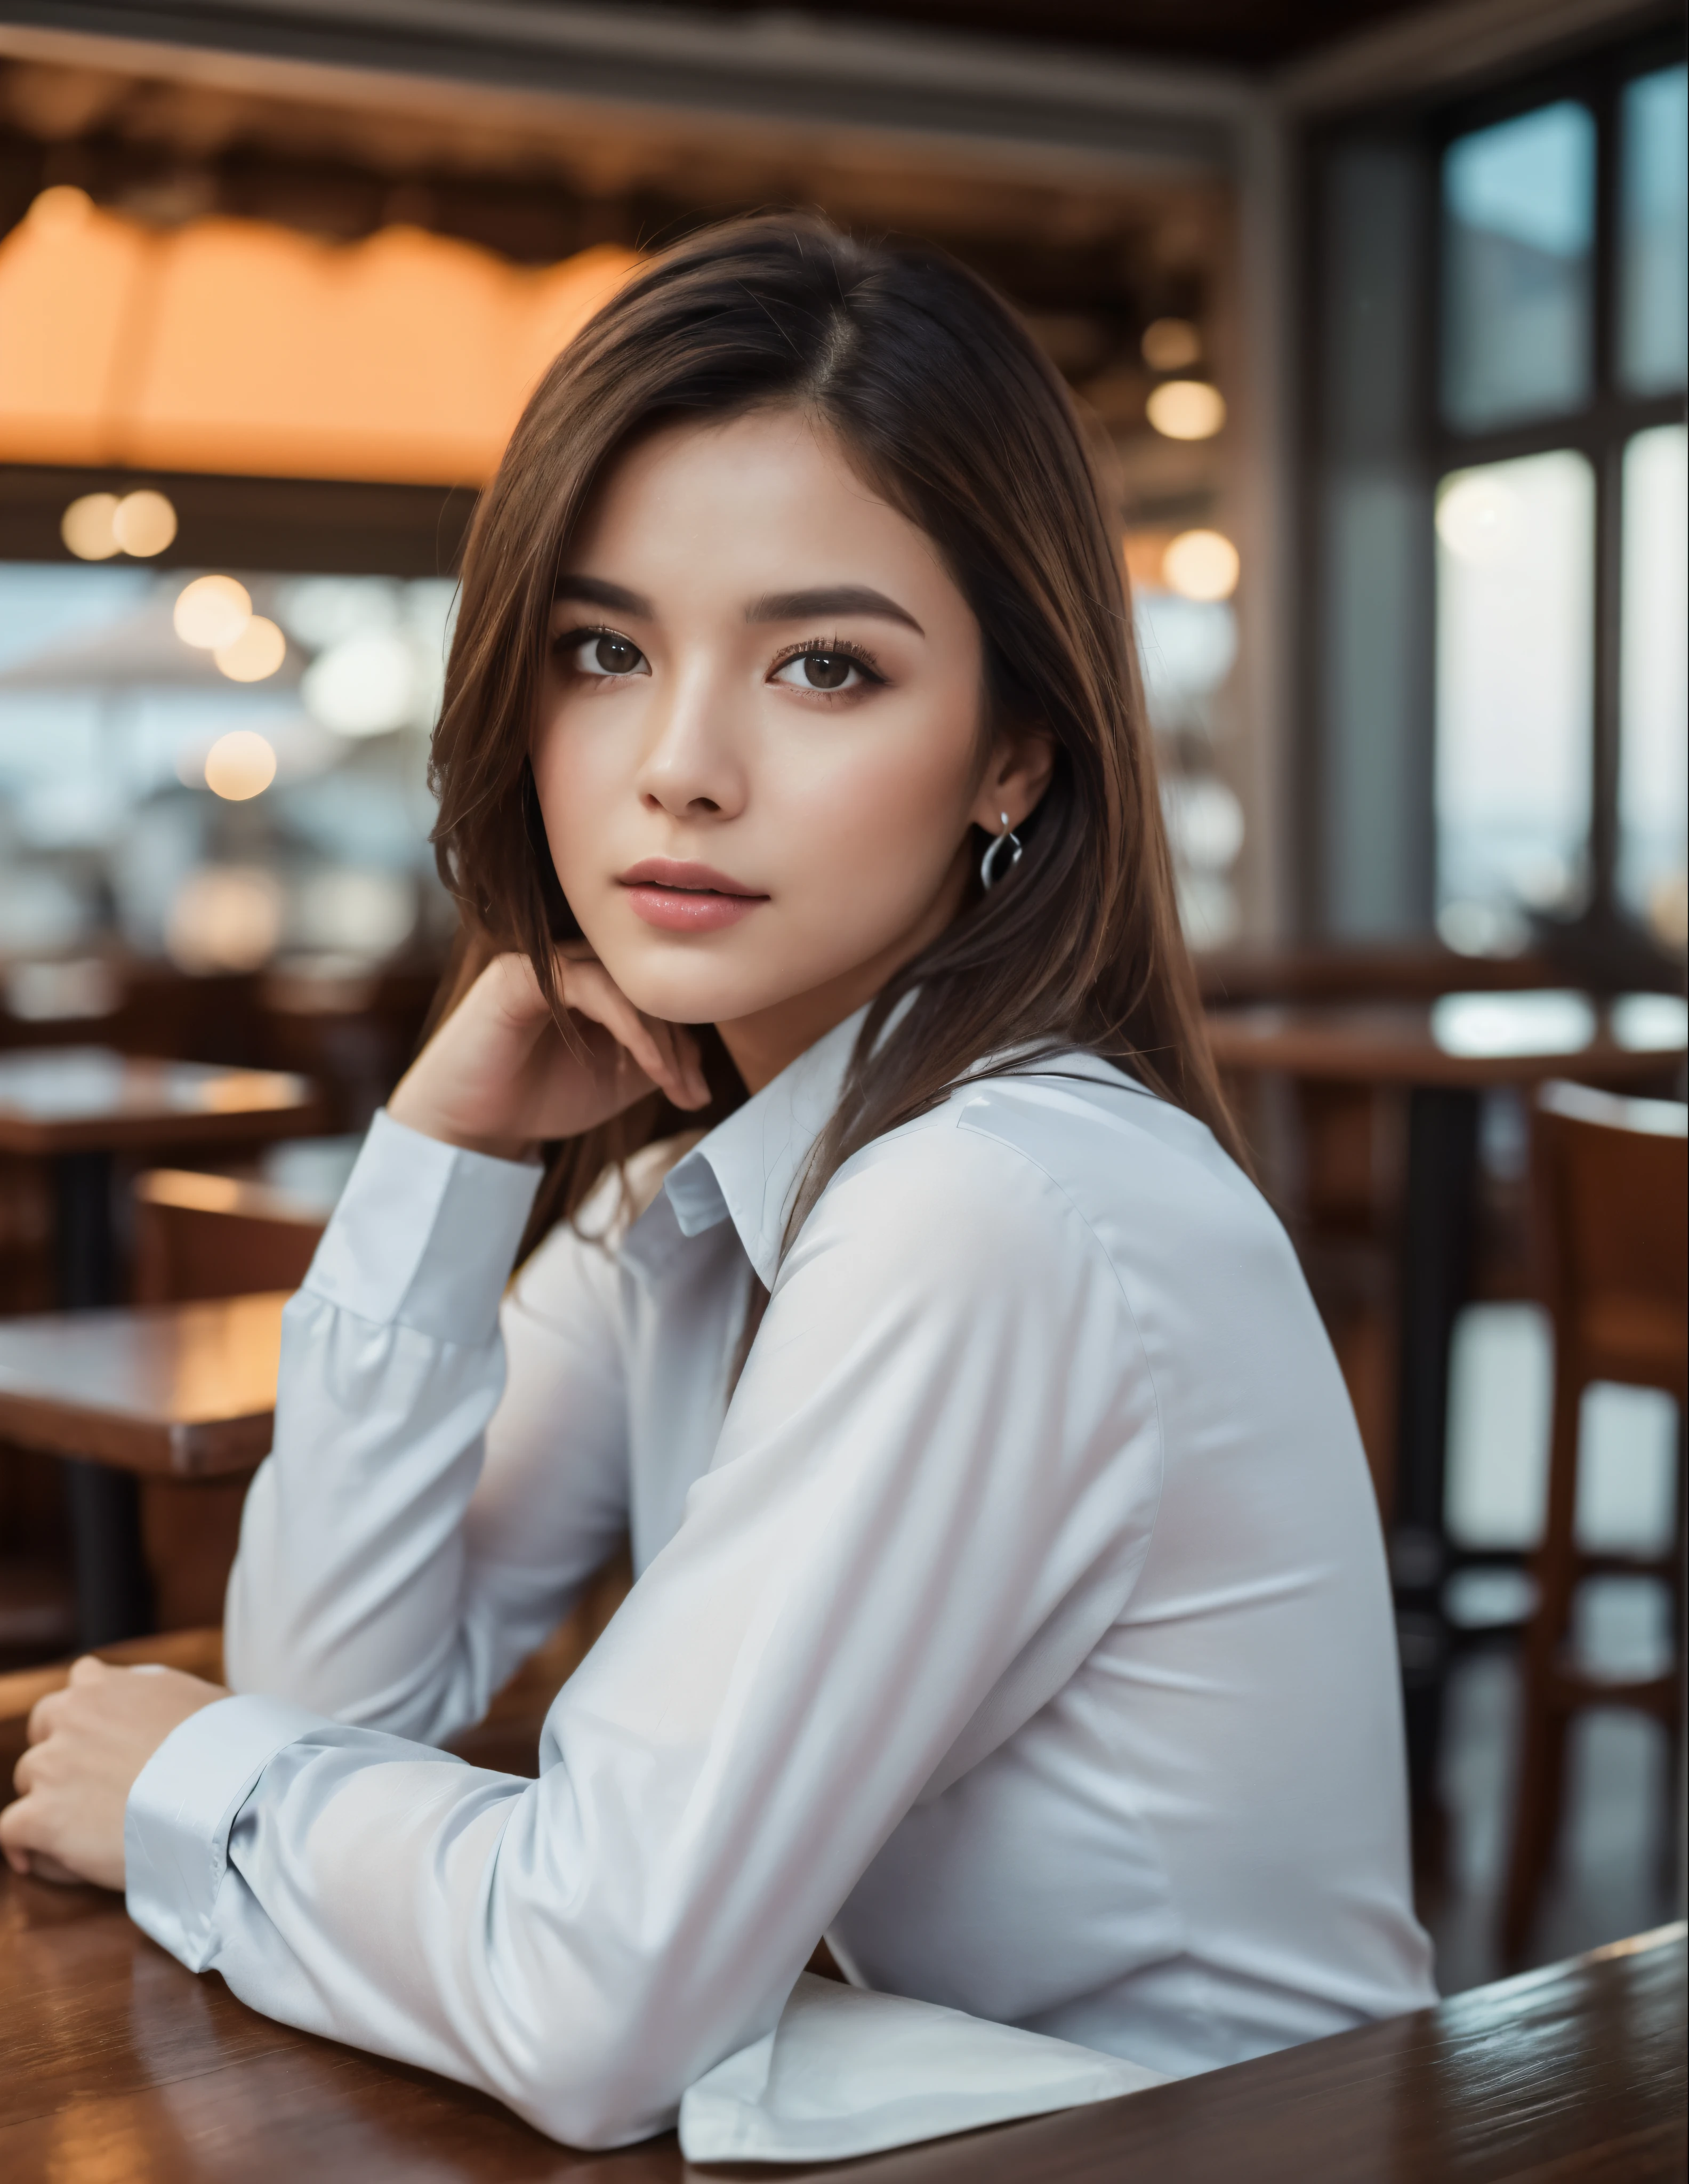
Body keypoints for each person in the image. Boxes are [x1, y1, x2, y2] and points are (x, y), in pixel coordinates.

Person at [3, 214, 1434, 2148]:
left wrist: (197, 1784)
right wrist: (442, 1148)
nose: (678, 766)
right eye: (604, 650)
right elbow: (342, 1691)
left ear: (1014, 752)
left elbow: (592, 2000)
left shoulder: (997, 1200)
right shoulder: (705, 1195)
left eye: (824, 668)